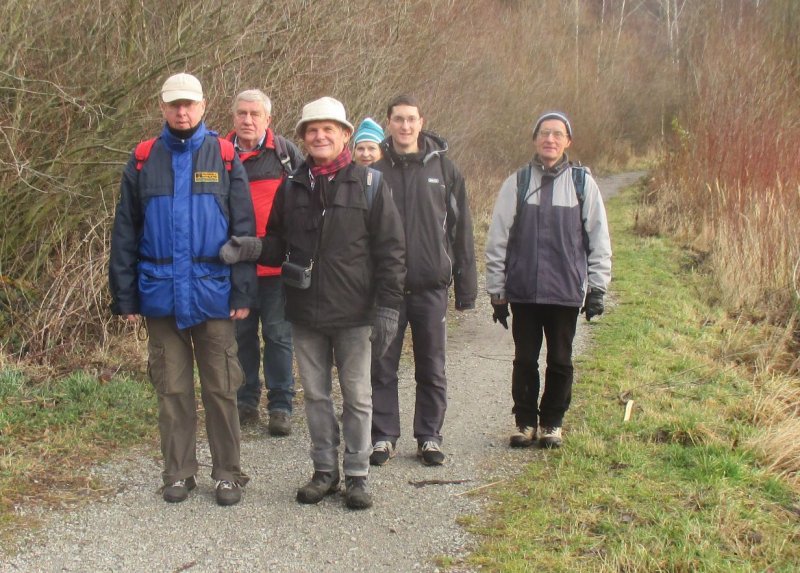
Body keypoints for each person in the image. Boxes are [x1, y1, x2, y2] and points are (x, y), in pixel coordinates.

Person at [219, 97, 406, 510]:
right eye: (312, 130)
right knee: (317, 397)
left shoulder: (371, 185)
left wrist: (388, 306)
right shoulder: (293, 186)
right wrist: (251, 247)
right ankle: (325, 471)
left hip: (356, 313)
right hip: (304, 310)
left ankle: (357, 475)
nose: (320, 136)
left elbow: (392, 251)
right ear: (303, 138)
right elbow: (278, 244)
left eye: (329, 129)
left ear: (345, 135)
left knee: (357, 397)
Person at [109, 73, 256, 506]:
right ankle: (178, 473)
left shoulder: (227, 157)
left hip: (213, 293)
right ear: (162, 107)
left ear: (204, 106)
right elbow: (125, 232)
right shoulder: (141, 159)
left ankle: (228, 473)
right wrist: (125, 296)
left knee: (221, 387)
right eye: (174, 104)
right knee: (171, 389)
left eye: (189, 104)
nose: (182, 111)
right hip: (160, 294)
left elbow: (245, 231)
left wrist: (243, 294)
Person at [485, 111, 612, 449]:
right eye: (544, 133)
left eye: (557, 134)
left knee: (560, 359)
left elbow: (598, 239)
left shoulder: (582, 183)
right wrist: (497, 291)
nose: (550, 139)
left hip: (564, 292)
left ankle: (552, 423)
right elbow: (498, 238)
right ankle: (525, 422)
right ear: (535, 139)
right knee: (524, 359)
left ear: (567, 141)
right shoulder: (518, 182)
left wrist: (597, 288)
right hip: (524, 291)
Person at [369, 94, 477, 467]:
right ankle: (383, 436)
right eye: (398, 119)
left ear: (421, 121)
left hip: (431, 287)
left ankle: (429, 436)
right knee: (381, 366)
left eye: (411, 119)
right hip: (386, 290)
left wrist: (466, 287)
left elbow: (462, 232)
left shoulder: (445, 171)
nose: (405, 126)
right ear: (389, 122)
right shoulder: (375, 170)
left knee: (431, 366)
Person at [226, 89, 303, 436]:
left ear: (268, 119)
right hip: (235, 267)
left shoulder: (286, 155)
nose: (248, 120)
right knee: (241, 337)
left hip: (276, 267)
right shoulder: (219, 154)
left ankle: (281, 405)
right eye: (242, 113)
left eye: (255, 114)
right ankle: (245, 401)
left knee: (278, 335)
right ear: (233, 117)